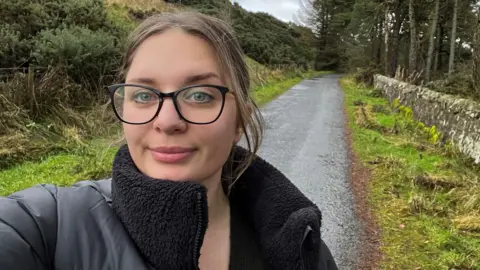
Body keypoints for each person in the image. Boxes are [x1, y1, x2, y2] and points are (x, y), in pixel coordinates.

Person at [0, 11, 338, 270]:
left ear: (241, 120)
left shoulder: (301, 245)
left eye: (200, 95)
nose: (166, 122)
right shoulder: (51, 226)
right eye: (144, 95)